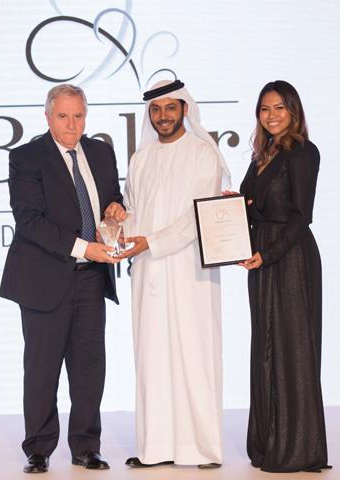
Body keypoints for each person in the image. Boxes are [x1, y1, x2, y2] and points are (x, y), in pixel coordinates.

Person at [0, 84, 126, 474]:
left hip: (91, 278)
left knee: (90, 369)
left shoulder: (101, 152)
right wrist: (85, 247)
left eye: (78, 116)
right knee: (42, 369)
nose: (72, 124)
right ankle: (38, 449)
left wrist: (117, 208)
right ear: (48, 116)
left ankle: (86, 447)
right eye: (63, 116)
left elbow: (111, 199)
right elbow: (30, 221)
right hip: (44, 278)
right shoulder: (26, 157)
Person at [118, 79, 231, 469]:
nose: (163, 116)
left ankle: (202, 448)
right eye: (156, 109)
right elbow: (133, 211)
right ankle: (155, 448)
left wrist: (150, 241)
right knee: (151, 358)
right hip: (147, 272)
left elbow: (197, 217)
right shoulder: (140, 158)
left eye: (170, 107)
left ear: (185, 109)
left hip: (189, 271)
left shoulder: (204, 153)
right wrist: (115, 223)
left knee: (194, 355)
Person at [225, 80, 331, 473]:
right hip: (262, 257)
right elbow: (252, 204)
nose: (271, 116)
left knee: (292, 350)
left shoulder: (302, 152)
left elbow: (301, 217)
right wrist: (233, 208)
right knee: (267, 348)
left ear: (293, 111)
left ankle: (298, 449)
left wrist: (266, 253)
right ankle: (270, 445)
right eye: (265, 109)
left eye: (279, 108)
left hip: (290, 257)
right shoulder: (262, 154)